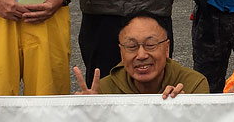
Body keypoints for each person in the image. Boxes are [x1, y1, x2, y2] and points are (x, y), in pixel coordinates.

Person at [74, 13, 209, 98]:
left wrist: (188, 109)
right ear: (121, 52)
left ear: (167, 48)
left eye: (150, 45)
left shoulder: (193, 85)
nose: (141, 55)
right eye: (132, 47)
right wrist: (88, 114)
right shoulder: (103, 91)